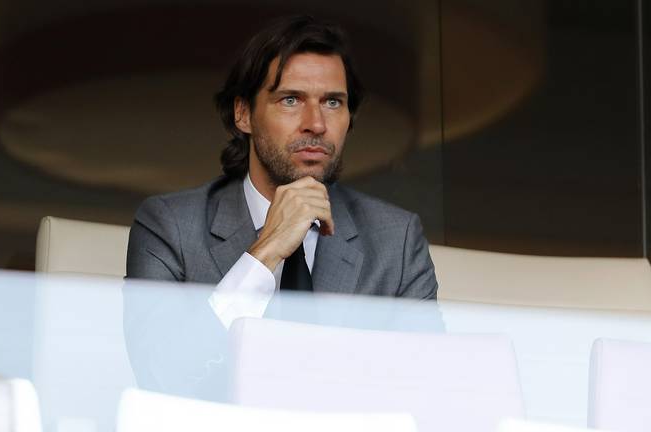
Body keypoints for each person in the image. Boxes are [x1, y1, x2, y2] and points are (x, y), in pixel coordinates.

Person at [126, 15, 438, 318]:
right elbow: (162, 368)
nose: (316, 124)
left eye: (332, 102)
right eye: (291, 100)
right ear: (243, 113)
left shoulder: (396, 240)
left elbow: (427, 369)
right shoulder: (170, 226)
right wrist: (266, 251)